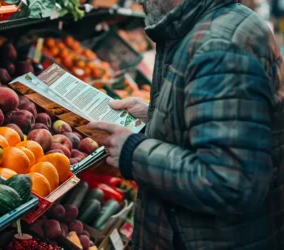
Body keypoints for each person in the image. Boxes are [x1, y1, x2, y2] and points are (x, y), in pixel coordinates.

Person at [87, 0, 284, 249]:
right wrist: (154, 116)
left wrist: (133, 152)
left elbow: (229, 182)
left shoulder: (220, 47)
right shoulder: (217, 25)